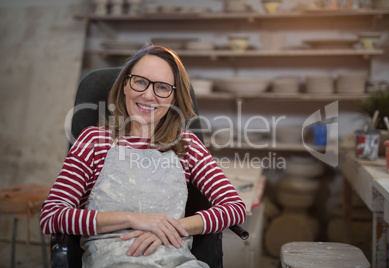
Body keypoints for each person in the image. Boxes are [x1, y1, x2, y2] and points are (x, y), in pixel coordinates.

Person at [40, 44, 246, 267]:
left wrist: (171, 228)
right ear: (125, 86)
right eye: (140, 81)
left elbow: (234, 208)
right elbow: (52, 216)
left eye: (162, 87)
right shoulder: (94, 141)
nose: (148, 95)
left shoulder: (187, 145)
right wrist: (133, 219)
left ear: (174, 98)